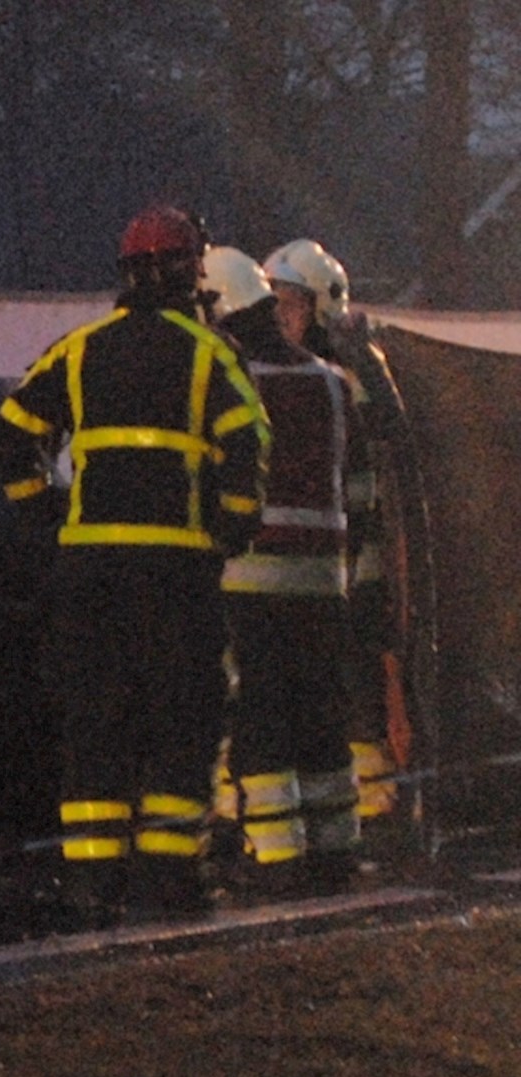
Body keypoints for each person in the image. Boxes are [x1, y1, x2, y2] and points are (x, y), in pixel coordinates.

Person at [0, 205, 270, 923]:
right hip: (176, 576)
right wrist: (231, 527)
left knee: (96, 722)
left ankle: (93, 879)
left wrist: (46, 516)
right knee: (183, 718)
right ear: (187, 270)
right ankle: (170, 880)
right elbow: (249, 441)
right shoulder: (209, 354)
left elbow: (8, 437)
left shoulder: (79, 351)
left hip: (88, 577)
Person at [203, 245, 372, 892]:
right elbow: (357, 490)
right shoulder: (333, 383)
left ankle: (274, 857)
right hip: (325, 580)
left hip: (250, 578)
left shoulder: (233, 380)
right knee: (322, 718)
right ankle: (336, 846)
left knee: (260, 722)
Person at [263, 239, 400, 832]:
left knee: (355, 678)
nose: (278, 318)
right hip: (315, 557)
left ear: (319, 308)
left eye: (290, 305)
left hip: (358, 558)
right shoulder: (286, 373)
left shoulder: (350, 372)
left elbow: (381, 437)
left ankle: (375, 801)